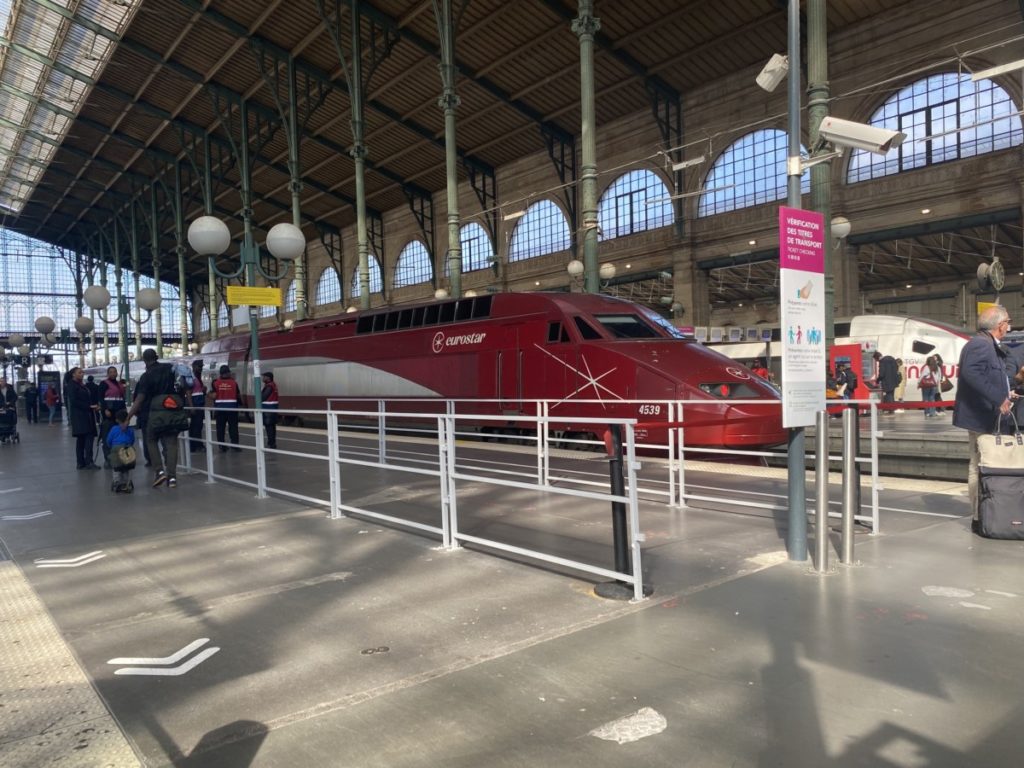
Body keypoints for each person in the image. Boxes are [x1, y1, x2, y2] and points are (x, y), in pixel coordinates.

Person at [953, 305, 1018, 531]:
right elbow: (971, 374)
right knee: (978, 465)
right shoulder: (980, 345)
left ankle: (986, 512)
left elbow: (987, 376)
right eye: (1008, 322)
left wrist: (1006, 393)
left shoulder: (986, 344)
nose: (1009, 327)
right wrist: (998, 398)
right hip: (980, 417)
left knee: (982, 464)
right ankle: (979, 517)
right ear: (1000, 325)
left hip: (986, 415)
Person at [126, 349, 190, 489]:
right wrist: (188, 406)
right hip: (174, 411)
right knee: (172, 443)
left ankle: (159, 471)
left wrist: (128, 416)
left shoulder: (147, 376)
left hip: (155, 414)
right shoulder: (170, 369)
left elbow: (140, 399)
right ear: (157, 357)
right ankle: (172, 477)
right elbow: (184, 387)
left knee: (151, 439)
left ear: (144, 360)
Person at [67, 367, 100, 469]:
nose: (82, 374)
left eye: (82, 372)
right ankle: (88, 461)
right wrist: (89, 406)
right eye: (79, 372)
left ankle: (81, 462)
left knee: (81, 440)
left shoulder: (80, 385)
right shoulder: (72, 386)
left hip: (83, 415)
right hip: (81, 416)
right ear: (73, 374)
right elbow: (74, 401)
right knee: (87, 438)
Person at [98, 367, 127, 467]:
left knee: (119, 436)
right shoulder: (104, 384)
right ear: (108, 373)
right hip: (108, 414)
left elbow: (122, 398)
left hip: (118, 413)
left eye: (115, 372)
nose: (113, 373)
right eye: (111, 372)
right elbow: (101, 398)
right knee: (107, 436)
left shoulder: (119, 384)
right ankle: (108, 459)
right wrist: (105, 409)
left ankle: (119, 457)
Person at [211, 364, 242, 452]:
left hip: (220, 409)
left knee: (220, 428)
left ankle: (222, 446)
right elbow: (238, 396)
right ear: (228, 373)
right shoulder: (234, 383)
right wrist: (241, 404)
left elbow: (213, 395)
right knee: (233, 427)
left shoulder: (215, 383)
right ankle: (235, 445)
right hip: (232, 409)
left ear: (220, 373)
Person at [105, 409, 136, 494]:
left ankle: (117, 482)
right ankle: (127, 482)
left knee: (116, 468)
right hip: (127, 449)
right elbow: (132, 440)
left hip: (116, 449)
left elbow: (109, 440)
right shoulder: (130, 430)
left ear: (117, 420)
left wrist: (110, 446)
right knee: (127, 467)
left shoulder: (114, 429)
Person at [188, 359, 208, 453]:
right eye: (199, 367)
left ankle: (196, 445)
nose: (201, 368)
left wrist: (203, 390)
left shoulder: (198, 377)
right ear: (194, 366)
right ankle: (195, 445)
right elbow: (188, 392)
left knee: (197, 426)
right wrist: (191, 406)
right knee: (195, 426)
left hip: (199, 403)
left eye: (202, 367)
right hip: (195, 404)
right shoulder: (191, 377)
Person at [260, 371, 279, 449]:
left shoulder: (269, 386)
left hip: (268, 409)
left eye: (264, 376)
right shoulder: (274, 385)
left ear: (268, 378)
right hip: (273, 408)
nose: (263, 378)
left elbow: (263, 397)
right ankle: (272, 442)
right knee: (272, 427)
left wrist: (259, 395)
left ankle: (271, 444)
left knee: (269, 427)